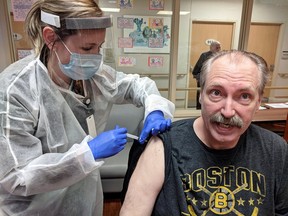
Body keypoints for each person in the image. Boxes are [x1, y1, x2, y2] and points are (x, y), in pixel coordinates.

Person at [0, 0, 175, 215]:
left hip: (84, 201)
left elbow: (138, 86)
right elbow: (17, 176)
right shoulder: (15, 90)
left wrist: (155, 109)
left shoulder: (93, 76)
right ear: (50, 38)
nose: (95, 57)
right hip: (35, 209)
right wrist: (87, 154)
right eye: (87, 48)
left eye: (99, 47)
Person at [120, 50, 288, 215]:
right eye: (216, 93)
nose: (228, 111)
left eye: (244, 96)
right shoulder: (163, 146)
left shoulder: (275, 150)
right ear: (201, 95)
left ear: (258, 101)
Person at [192, 40, 221, 109]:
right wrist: (198, 79)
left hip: (217, 80)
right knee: (201, 95)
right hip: (204, 79)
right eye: (217, 47)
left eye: (219, 47)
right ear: (211, 47)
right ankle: (199, 109)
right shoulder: (204, 55)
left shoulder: (221, 56)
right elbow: (196, 70)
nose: (219, 49)